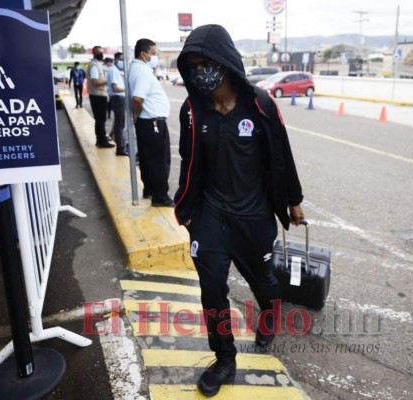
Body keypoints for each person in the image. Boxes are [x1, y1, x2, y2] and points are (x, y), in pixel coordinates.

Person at [173, 24, 305, 397]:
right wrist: (184, 207)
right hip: (211, 217)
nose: (201, 71)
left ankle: (268, 315)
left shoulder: (260, 103)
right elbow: (188, 161)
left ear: (225, 61)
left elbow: (282, 156)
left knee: (262, 280)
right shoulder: (192, 111)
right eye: (193, 65)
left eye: (206, 62)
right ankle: (225, 358)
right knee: (212, 287)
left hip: (255, 217)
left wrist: (293, 201)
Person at [128, 39, 174, 207]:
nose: (156, 57)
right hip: (152, 122)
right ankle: (160, 196)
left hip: (148, 122)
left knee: (148, 159)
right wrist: (136, 114)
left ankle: (150, 189)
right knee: (159, 160)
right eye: (154, 54)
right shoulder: (142, 72)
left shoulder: (138, 69)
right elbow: (138, 98)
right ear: (143, 54)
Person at [87, 46, 114, 148]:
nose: (102, 54)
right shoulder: (94, 66)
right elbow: (95, 82)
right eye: (99, 52)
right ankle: (101, 141)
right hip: (97, 95)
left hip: (98, 95)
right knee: (100, 119)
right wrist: (108, 80)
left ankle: (101, 138)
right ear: (95, 53)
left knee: (101, 119)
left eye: (102, 52)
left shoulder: (97, 64)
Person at [106, 52, 128, 156]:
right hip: (118, 98)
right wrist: (127, 89)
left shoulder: (117, 70)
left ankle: (118, 141)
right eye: (120, 59)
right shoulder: (113, 71)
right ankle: (120, 148)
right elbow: (115, 88)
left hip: (119, 98)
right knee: (120, 124)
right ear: (115, 59)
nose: (122, 62)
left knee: (119, 123)